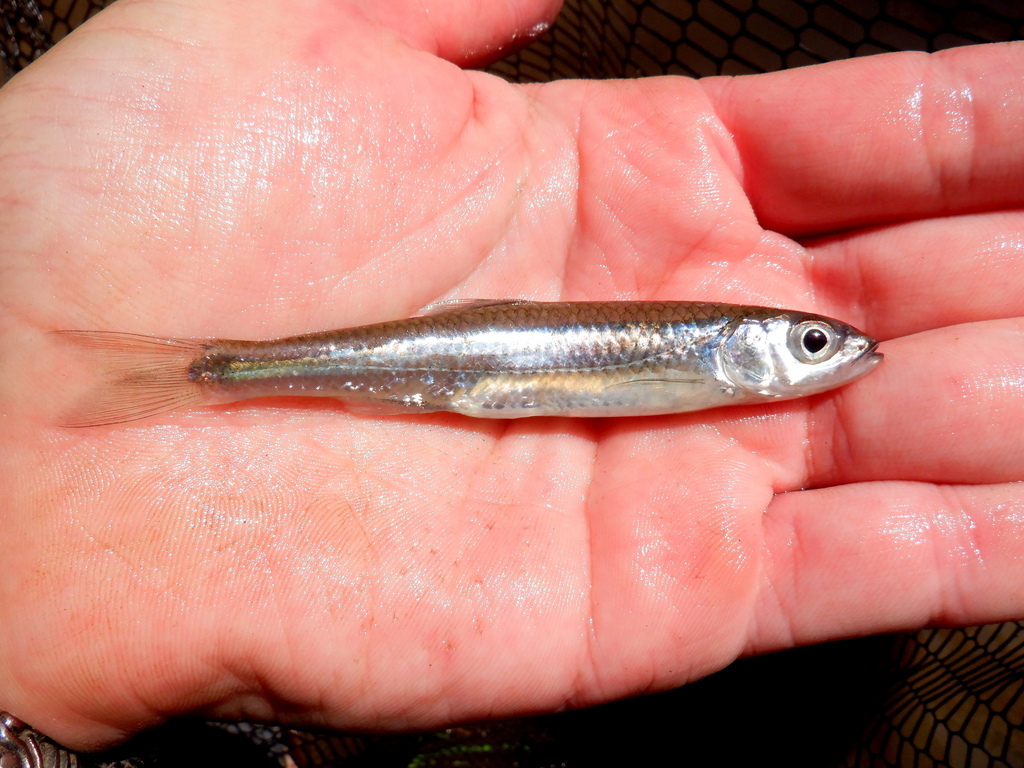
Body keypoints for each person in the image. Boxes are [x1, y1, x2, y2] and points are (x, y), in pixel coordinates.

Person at [0, 0, 1021, 753]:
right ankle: (211, 373)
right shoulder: (714, 356)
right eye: (806, 344)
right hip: (460, 364)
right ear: (737, 345)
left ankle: (199, 374)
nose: (827, 356)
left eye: (814, 346)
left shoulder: (720, 360)